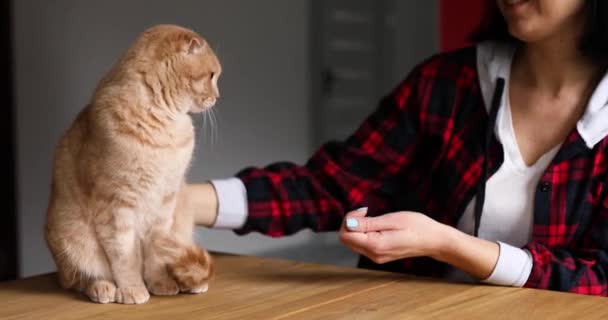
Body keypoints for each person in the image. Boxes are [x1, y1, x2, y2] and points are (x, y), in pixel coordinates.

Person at [176, 0, 608, 296]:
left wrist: (450, 245)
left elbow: (598, 279)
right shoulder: (447, 84)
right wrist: (174, 200)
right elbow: (333, 185)